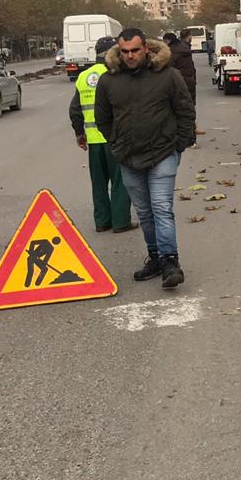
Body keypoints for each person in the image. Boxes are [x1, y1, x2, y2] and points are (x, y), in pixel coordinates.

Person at [95, 28, 197, 290]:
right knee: (145, 213)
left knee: (162, 208)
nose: (130, 56)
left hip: (163, 154)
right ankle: (155, 258)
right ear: (119, 52)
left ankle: (171, 262)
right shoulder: (108, 81)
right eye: (125, 51)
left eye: (135, 50)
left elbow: (185, 111)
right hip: (129, 158)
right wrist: (118, 145)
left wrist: (180, 145)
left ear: (146, 49)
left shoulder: (168, 76)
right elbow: (103, 119)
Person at [69, 35, 135, 234]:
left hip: (93, 140)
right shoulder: (116, 74)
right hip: (115, 138)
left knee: (98, 183)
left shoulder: (83, 76)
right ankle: (121, 221)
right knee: (120, 182)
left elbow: (75, 109)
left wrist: (79, 133)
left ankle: (102, 221)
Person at [162, 31, 198, 104]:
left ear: (168, 41)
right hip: (190, 81)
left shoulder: (172, 52)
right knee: (189, 106)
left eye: (164, 42)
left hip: (178, 85)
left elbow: (169, 70)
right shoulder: (185, 48)